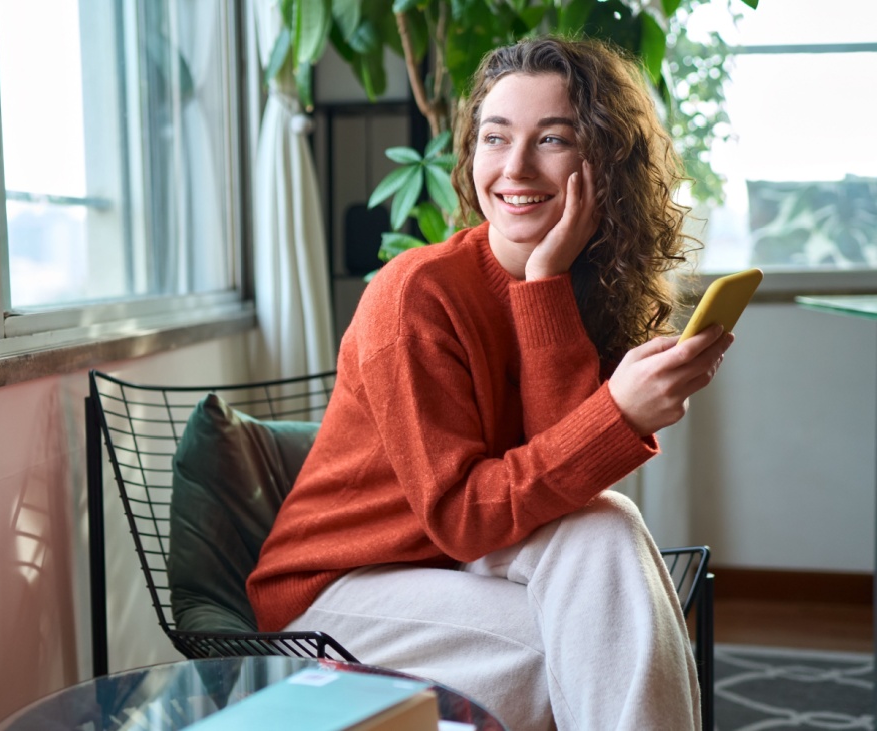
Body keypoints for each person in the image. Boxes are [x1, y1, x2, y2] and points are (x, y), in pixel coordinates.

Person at [246, 36, 733, 731]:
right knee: (592, 647)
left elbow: (564, 495)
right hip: (334, 593)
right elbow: (463, 514)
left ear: (601, 162)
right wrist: (616, 416)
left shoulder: (579, 286)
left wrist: (545, 285)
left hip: (454, 566)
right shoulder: (416, 293)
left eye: (553, 140)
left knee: (605, 528)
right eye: (495, 138)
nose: (515, 166)